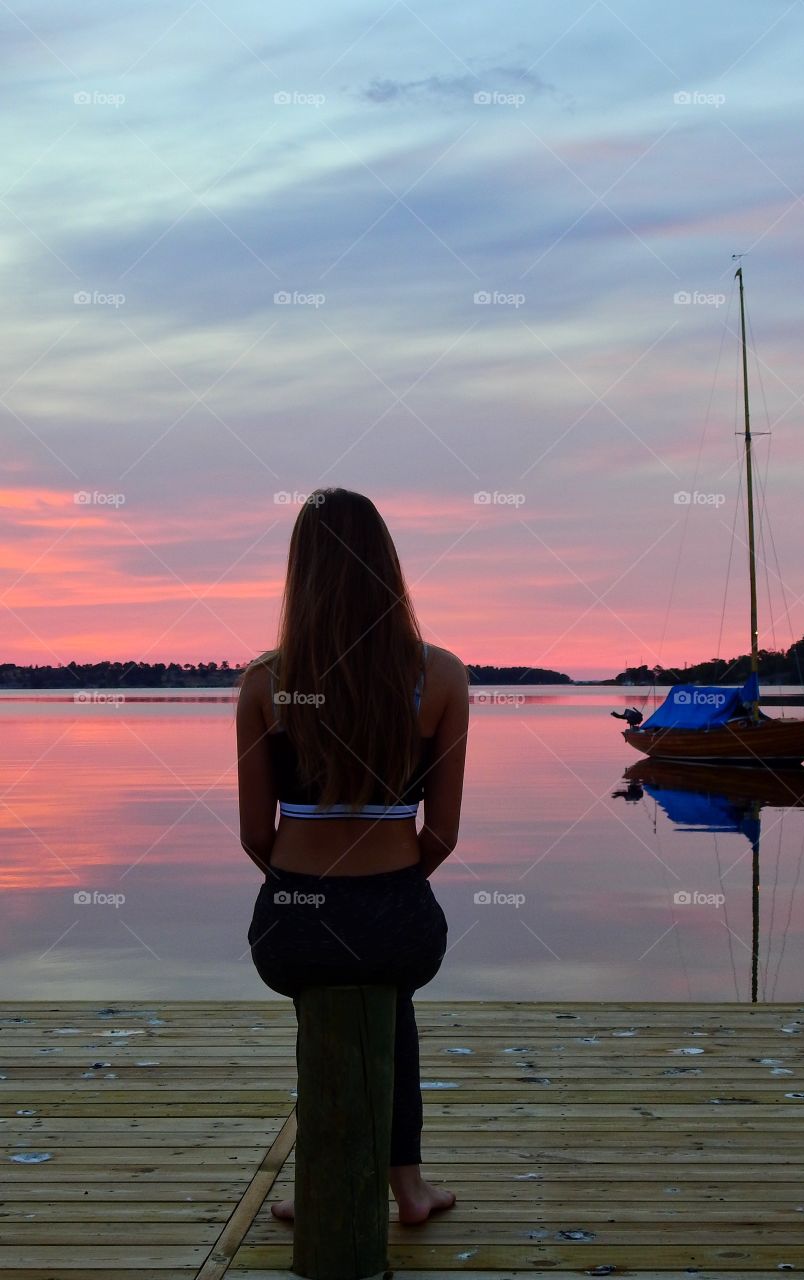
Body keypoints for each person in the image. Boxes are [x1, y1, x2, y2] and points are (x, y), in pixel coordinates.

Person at [236, 487, 469, 1226]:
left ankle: (321, 1188)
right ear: (386, 566)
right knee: (387, 993)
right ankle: (408, 1188)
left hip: (294, 922)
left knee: (325, 1001)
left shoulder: (265, 684)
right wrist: (389, 888)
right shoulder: (442, 676)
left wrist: (309, 890)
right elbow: (444, 834)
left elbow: (253, 836)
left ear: (299, 573)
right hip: (398, 914)